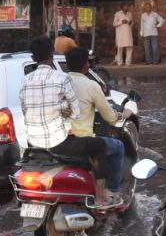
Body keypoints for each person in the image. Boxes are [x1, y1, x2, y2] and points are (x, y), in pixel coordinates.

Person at [19, 36, 115, 205]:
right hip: (59, 142)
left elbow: (25, 111)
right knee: (99, 145)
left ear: (33, 58)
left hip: (32, 143)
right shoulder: (62, 79)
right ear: (52, 56)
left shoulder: (25, 81)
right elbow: (75, 113)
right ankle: (100, 196)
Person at [65, 46, 133, 203]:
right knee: (118, 146)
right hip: (82, 140)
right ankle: (112, 191)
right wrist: (124, 114)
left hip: (59, 141)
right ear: (86, 66)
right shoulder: (91, 85)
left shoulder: (58, 82)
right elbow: (110, 117)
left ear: (67, 65)